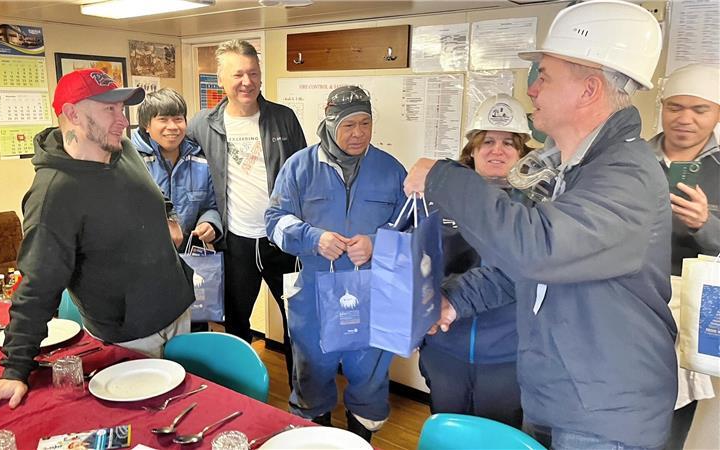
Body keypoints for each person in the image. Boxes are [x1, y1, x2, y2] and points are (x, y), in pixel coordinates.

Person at [404, 1, 678, 448]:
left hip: (602, 416)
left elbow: (538, 248)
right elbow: (527, 269)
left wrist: (441, 177)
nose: (532, 90)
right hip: (558, 394)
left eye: (544, 76)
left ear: (588, 90)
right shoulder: (576, 169)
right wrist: (455, 301)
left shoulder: (624, 173)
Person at [0, 69, 195, 418]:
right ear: (72, 114)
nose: (122, 122)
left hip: (177, 311)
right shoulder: (55, 193)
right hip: (131, 336)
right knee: (152, 425)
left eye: (121, 109)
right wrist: (15, 370)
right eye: (109, 110)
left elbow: (153, 198)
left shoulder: (123, 151)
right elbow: (38, 285)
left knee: (191, 412)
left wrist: (167, 218)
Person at [265, 86, 406, 442]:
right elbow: (274, 221)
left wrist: (377, 244)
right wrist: (313, 237)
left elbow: (410, 229)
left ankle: (361, 440)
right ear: (329, 124)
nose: (358, 133)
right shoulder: (299, 167)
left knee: (370, 378)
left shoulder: (391, 170)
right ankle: (316, 439)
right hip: (314, 295)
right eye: (348, 125)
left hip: (372, 295)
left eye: (365, 123)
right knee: (311, 375)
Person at [187, 39, 306, 385]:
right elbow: (189, 177)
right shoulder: (202, 124)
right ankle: (235, 391)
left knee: (297, 323)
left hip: (281, 242)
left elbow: (304, 175)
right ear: (221, 80)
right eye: (237, 74)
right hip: (235, 242)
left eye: (253, 73)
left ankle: (306, 401)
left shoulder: (283, 119)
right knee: (235, 324)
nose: (247, 81)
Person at [419, 94, 532, 428]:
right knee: (447, 433)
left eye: (509, 143)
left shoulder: (534, 209)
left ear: (522, 153)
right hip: (444, 351)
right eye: (488, 142)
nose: (497, 150)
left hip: (506, 358)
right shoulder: (439, 197)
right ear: (472, 150)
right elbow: (415, 263)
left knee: (496, 439)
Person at [647, 63, 719, 450]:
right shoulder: (631, 159)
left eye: (700, 109)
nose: (685, 119)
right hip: (629, 300)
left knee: (672, 419)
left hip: (692, 310)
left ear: (718, 113)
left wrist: (705, 224)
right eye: (675, 107)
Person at [132, 88, 222, 248]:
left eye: (178, 119)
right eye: (163, 119)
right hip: (142, 253)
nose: (172, 126)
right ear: (147, 125)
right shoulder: (132, 162)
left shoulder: (200, 162)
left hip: (189, 253)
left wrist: (209, 222)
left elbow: (210, 206)